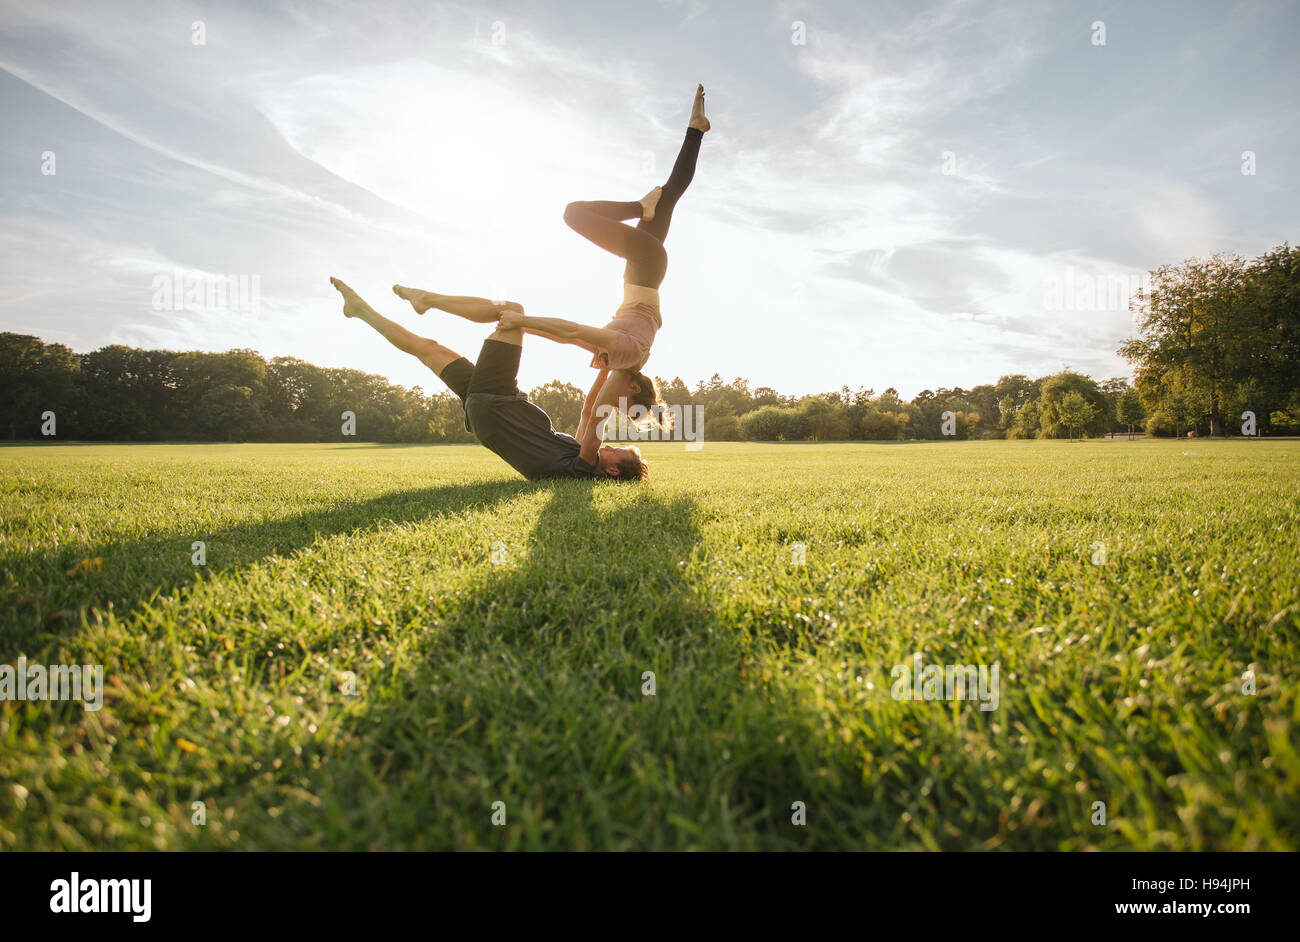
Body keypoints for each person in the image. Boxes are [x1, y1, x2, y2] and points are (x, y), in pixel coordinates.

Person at [401, 84, 710, 429]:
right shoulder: (629, 356)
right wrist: (523, 323)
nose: (616, 405)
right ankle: (640, 205)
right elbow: (571, 328)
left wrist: (525, 326)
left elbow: (568, 348)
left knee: (668, 197)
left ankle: (696, 129)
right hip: (646, 267)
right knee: (574, 214)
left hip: (642, 270)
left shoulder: (613, 359)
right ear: (634, 387)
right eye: (623, 405)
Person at [328, 277, 648, 482]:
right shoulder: (575, 458)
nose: (609, 445)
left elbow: (596, 418)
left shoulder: (585, 468)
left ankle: (428, 300)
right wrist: (604, 370)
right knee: (427, 349)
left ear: (613, 469)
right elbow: (587, 410)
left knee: (512, 311)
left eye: (616, 450)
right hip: (487, 413)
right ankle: (361, 311)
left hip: (498, 402)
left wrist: (620, 369)